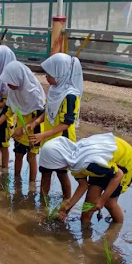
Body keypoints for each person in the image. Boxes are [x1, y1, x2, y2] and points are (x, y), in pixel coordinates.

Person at [39, 133, 132, 225]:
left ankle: (117, 227)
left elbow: (118, 175)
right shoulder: (73, 160)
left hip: (123, 162)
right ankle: (86, 231)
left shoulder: (90, 164)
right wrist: (67, 206)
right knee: (88, 206)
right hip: (103, 164)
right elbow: (83, 185)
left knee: (109, 203)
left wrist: (102, 199)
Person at [25, 53, 83, 200]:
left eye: (49, 74)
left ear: (60, 74)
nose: (46, 77)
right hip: (48, 138)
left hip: (62, 140)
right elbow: (49, 110)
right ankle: (43, 202)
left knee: (61, 172)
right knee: (45, 171)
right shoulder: (55, 90)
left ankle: (67, 202)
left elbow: (66, 123)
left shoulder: (70, 96)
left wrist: (42, 135)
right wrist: (36, 122)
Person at [0, 61, 46, 182]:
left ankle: (32, 185)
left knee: (31, 158)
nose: (8, 85)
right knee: (18, 155)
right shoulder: (13, 91)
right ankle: (16, 181)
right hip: (19, 130)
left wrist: (24, 129)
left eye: (10, 82)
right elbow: (8, 111)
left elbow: (40, 116)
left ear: (18, 78)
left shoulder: (34, 93)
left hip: (33, 131)